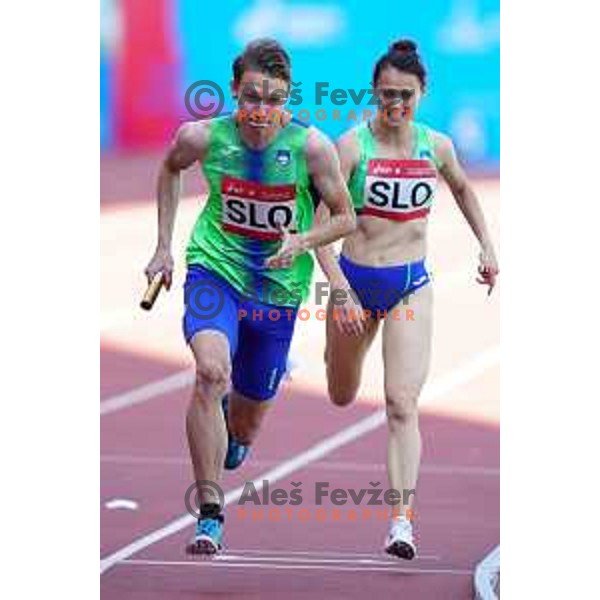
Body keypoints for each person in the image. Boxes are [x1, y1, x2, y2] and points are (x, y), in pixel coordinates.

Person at [144, 38, 355, 554]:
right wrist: (163, 247)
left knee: (242, 429)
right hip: (214, 269)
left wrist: (303, 241)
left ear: (288, 98)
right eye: (253, 97)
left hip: (278, 294)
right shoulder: (203, 137)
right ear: (235, 90)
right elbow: (170, 167)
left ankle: (240, 424)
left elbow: (346, 216)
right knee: (211, 372)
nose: (262, 111)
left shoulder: (311, 149)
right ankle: (210, 514)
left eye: (275, 99)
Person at [315, 39, 499, 559]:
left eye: (405, 95)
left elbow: (462, 189)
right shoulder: (351, 147)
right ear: (373, 93)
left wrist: (485, 243)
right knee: (342, 393)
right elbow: (315, 225)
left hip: (409, 287)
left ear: (423, 93)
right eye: (386, 95)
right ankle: (327, 355)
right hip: (354, 283)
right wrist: (341, 291)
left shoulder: (436, 147)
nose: (395, 105)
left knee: (401, 403)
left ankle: (401, 522)